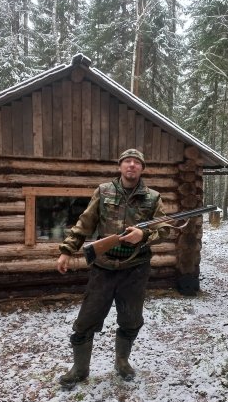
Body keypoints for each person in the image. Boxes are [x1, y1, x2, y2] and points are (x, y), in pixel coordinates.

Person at [56, 148, 169, 389]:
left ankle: (122, 362)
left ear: (142, 169)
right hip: (103, 268)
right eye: (127, 161)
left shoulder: (153, 197)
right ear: (120, 166)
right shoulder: (103, 190)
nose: (131, 166)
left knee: (130, 319)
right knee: (86, 320)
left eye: (136, 162)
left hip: (135, 269)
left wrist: (143, 234)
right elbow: (85, 223)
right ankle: (79, 369)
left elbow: (164, 229)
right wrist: (67, 250)